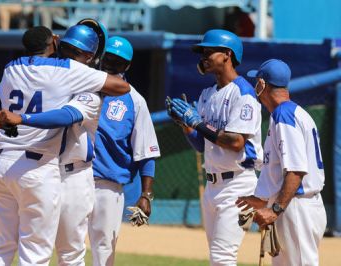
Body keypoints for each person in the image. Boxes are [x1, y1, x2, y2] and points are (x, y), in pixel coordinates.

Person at [0, 26, 130, 266]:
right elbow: (117, 89)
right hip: (37, 170)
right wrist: (22, 118)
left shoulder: (12, 67)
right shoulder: (68, 71)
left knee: (2, 246)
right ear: (54, 43)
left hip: (8, 166)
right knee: (36, 253)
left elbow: (0, 100)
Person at [166, 29, 262, 265]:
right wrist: (185, 125)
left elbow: (236, 142)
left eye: (209, 51)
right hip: (213, 187)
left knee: (222, 257)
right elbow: (201, 144)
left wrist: (197, 122)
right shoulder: (207, 94)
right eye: (203, 52)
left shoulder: (244, 93)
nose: (204, 56)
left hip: (238, 185)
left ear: (227, 54)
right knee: (217, 257)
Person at [236, 59, 327, 266]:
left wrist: (274, 210)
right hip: (293, 205)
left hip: (296, 208)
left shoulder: (284, 114)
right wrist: (260, 200)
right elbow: (279, 170)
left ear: (262, 84)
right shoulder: (290, 113)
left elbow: (296, 170)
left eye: (256, 82)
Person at [88, 36, 160, 266]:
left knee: (104, 249)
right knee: (69, 244)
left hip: (108, 186)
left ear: (127, 66)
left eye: (118, 61)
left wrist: (146, 194)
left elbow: (146, 151)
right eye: (108, 57)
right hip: (72, 177)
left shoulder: (135, 100)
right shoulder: (81, 84)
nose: (111, 63)